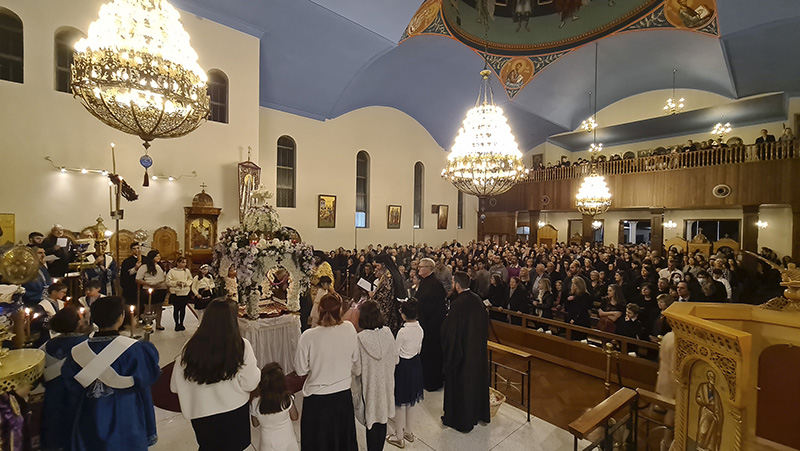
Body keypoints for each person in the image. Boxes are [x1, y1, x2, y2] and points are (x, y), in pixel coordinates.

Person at [61, 296, 160, 450]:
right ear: (121, 318)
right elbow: (149, 378)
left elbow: (70, 387)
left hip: (90, 415)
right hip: (127, 415)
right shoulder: (136, 350)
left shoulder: (77, 352)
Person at [171, 299, 260, 451]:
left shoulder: (190, 346)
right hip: (233, 412)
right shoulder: (241, 345)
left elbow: (174, 386)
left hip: (201, 413)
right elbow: (250, 383)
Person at [294, 294, 358, 451]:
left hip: (317, 400)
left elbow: (300, 369)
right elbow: (355, 357)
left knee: (317, 443)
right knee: (343, 442)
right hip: (342, 396)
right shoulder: (349, 329)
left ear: (318, 309)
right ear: (341, 310)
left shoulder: (308, 336)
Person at [441, 271, 490, 433]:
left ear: (456, 284)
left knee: (461, 387)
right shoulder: (477, 300)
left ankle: (461, 420)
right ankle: (476, 414)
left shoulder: (458, 304)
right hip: (476, 351)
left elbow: (450, 332)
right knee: (474, 384)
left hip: (461, 354)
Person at [40, 307, 88, 451]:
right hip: (81, 396)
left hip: (54, 397)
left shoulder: (46, 346)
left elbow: (40, 375)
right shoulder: (88, 344)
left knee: (55, 429)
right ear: (78, 324)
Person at [352, 300, 398, 451]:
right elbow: (396, 359)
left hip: (370, 389)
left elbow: (357, 369)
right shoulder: (388, 333)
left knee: (371, 422)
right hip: (385, 385)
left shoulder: (360, 339)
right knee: (382, 420)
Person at [388, 299, 424, 448]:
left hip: (403, 366)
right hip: (415, 364)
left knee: (400, 402)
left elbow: (395, 355)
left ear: (404, 314)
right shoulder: (420, 329)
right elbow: (418, 349)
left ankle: (399, 436)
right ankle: (409, 431)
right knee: (411, 401)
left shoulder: (403, 331)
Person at [414, 257, 447, 392]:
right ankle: (425, 380)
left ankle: (433, 382)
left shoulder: (435, 284)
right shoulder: (425, 282)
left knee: (432, 355)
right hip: (425, 324)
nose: (418, 269)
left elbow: (434, 308)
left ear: (428, 268)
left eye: (421, 267)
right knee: (426, 355)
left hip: (432, 327)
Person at [250, 363, 299, 451]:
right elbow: (295, 417)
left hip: (267, 443)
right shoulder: (286, 399)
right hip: (287, 440)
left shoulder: (255, 403)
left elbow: (255, 424)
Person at [372, 253, 406, 336]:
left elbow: (386, 296)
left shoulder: (388, 276)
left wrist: (373, 296)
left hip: (389, 311)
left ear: (383, 265)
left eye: (377, 266)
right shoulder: (392, 273)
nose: (376, 269)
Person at [136, 250, 167, 330]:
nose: (159, 257)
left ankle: (158, 324)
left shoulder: (160, 266)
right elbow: (138, 279)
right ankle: (148, 325)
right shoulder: (144, 267)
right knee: (148, 307)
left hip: (160, 289)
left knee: (159, 307)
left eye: (159, 256)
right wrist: (148, 283)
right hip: (149, 289)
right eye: (156, 256)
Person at [166, 256, 193, 331]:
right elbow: (168, 281)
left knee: (183, 309)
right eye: (182, 262)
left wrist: (186, 283)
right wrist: (176, 283)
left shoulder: (186, 271)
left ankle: (181, 323)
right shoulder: (172, 271)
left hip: (184, 292)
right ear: (178, 263)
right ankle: (176, 324)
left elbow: (190, 279)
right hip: (175, 292)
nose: (184, 264)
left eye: (185, 262)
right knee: (176, 309)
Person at [120, 243, 143, 307]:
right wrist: (135, 268)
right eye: (134, 249)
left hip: (143, 287)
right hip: (131, 287)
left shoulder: (146, 259)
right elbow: (125, 274)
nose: (136, 250)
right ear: (131, 250)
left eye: (138, 248)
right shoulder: (127, 261)